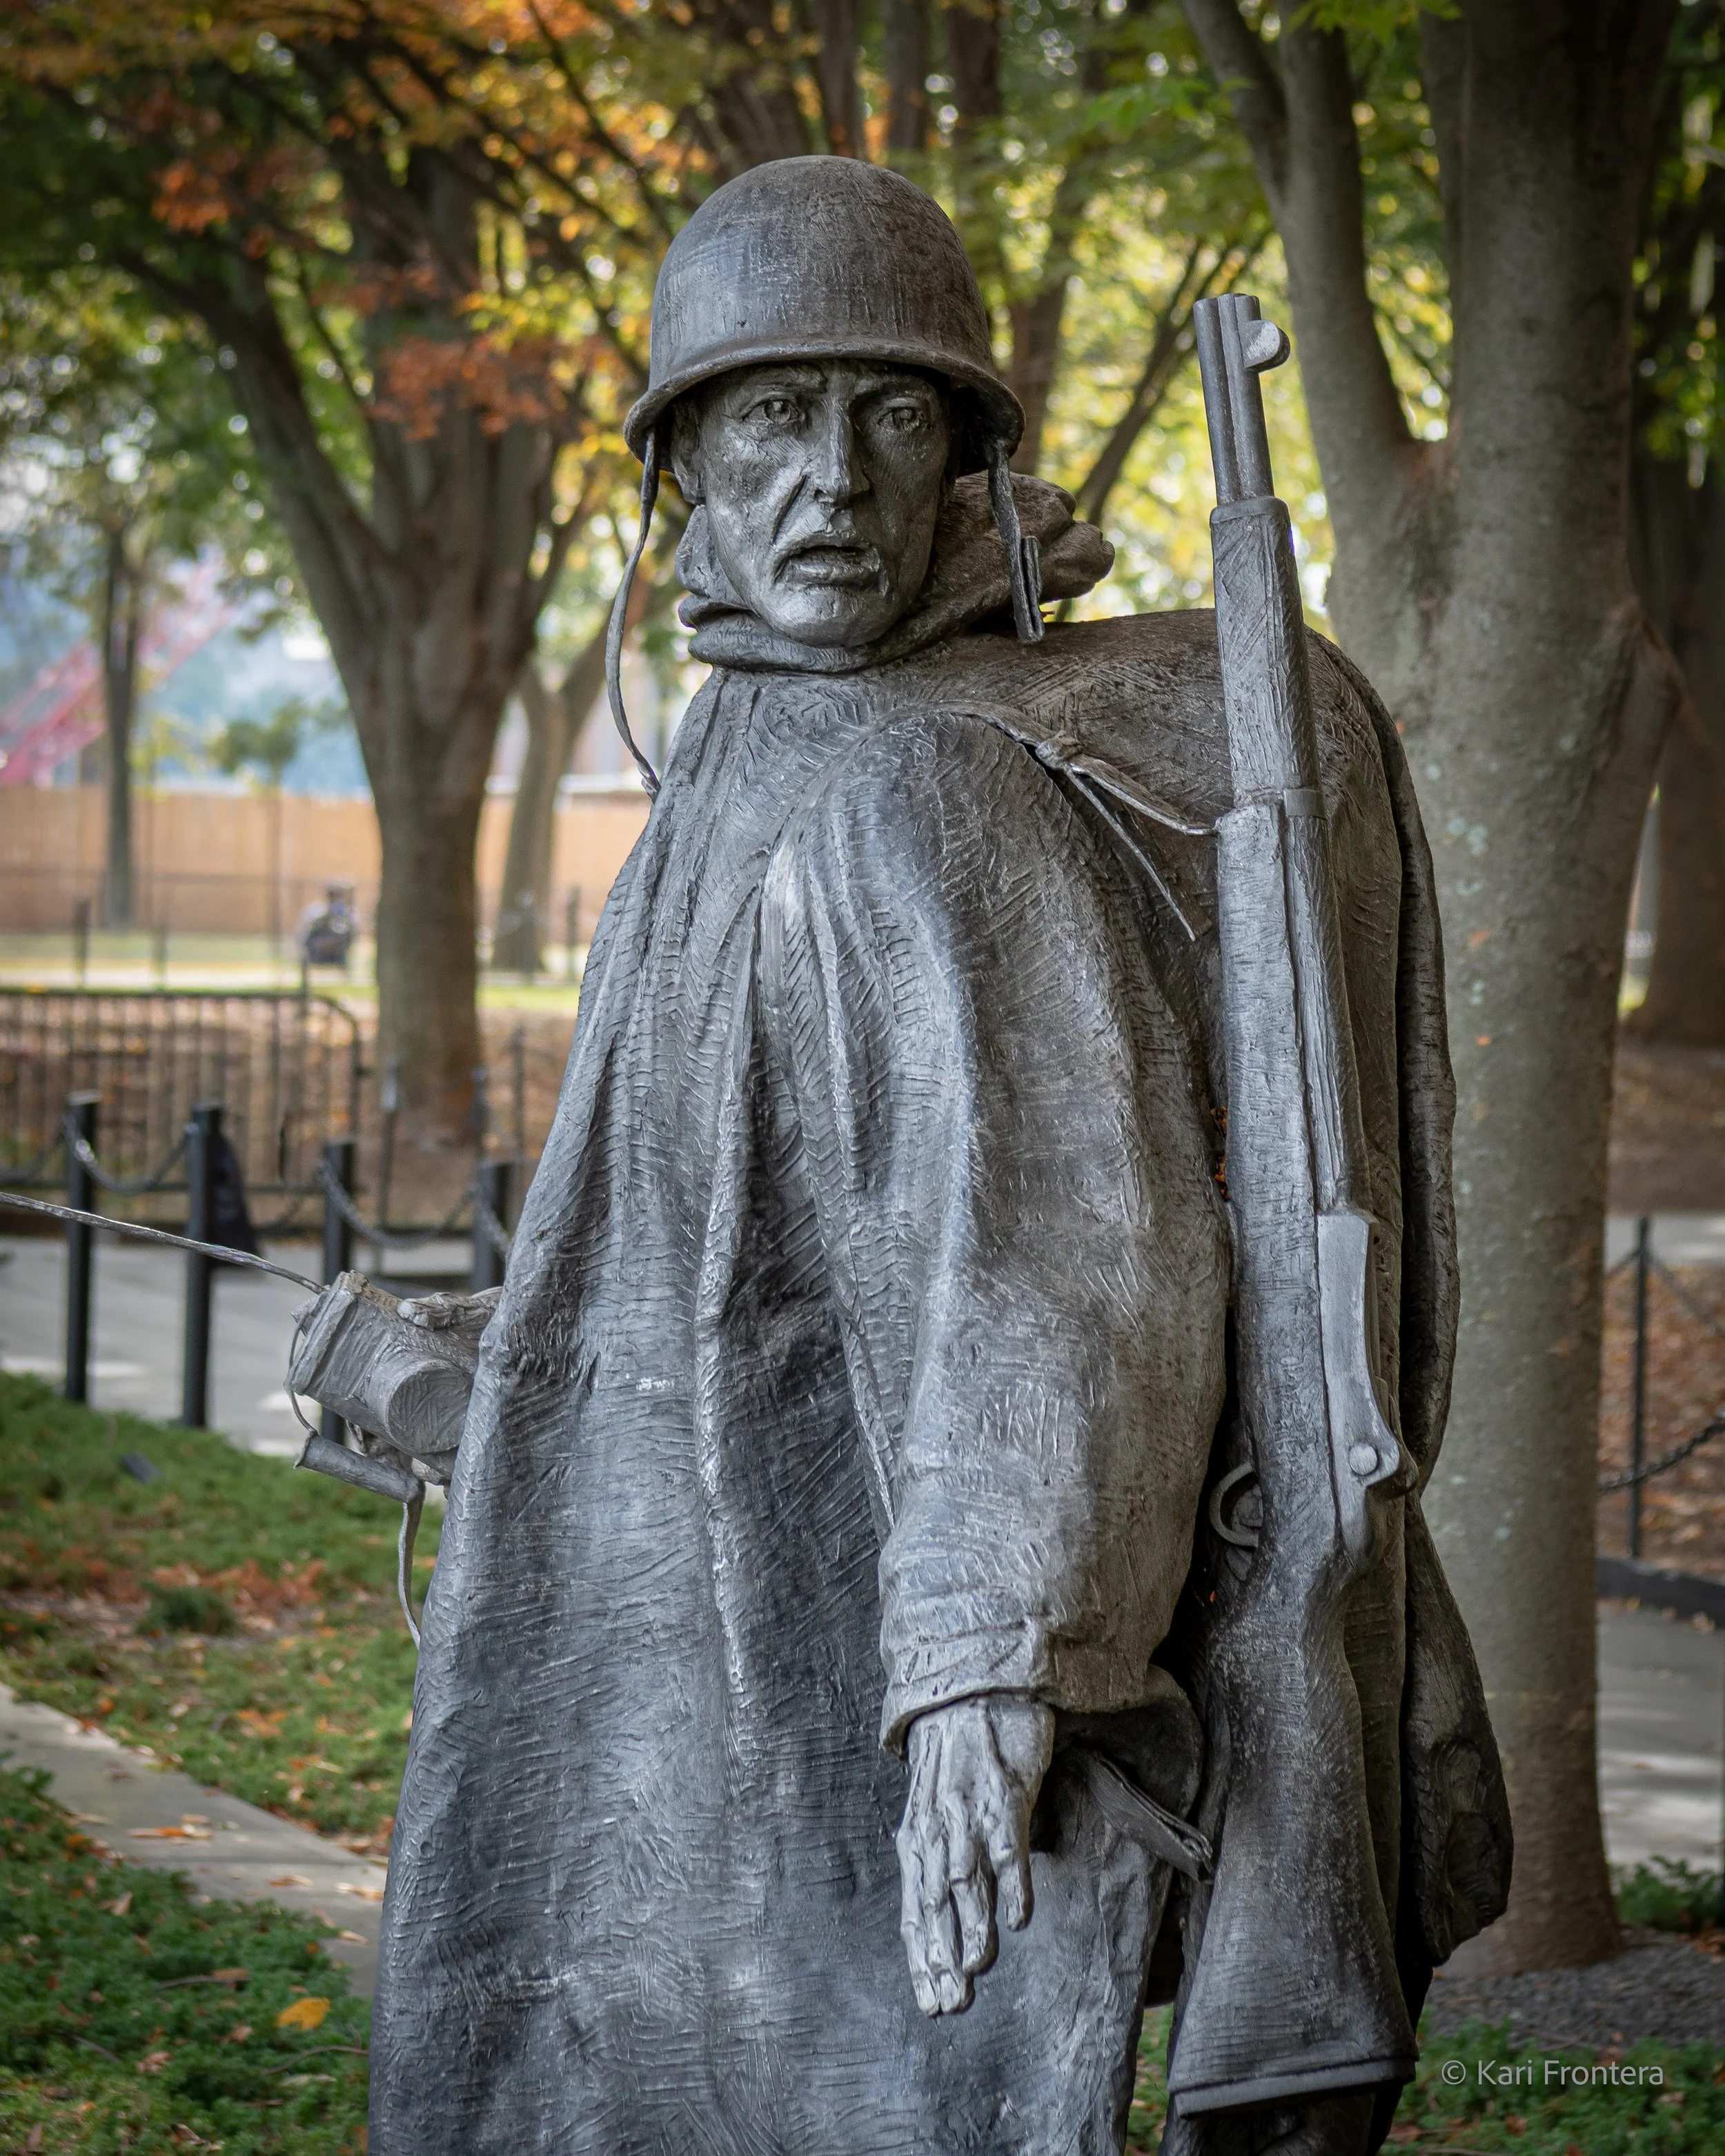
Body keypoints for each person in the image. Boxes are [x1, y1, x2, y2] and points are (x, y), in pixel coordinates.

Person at [361, 159, 1508, 2155]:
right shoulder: (748, 746)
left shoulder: (937, 776)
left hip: (888, 1671)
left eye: (887, 416)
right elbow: (717, 1210)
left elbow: (1064, 1240)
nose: (830, 483)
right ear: (682, 473)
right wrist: (473, 1360)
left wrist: (991, 1659)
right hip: (694, 1654)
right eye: (767, 420)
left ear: (965, 456)